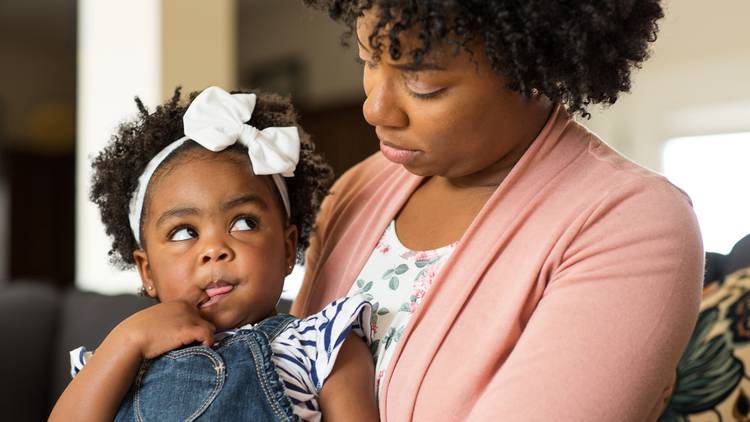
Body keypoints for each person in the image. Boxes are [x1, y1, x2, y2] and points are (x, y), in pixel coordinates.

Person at [292, 1, 704, 421]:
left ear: (532, 66)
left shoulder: (632, 225)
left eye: (423, 85)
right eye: (369, 59)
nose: (375, 109)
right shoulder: (358, 189)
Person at [49, 86, 379, 422]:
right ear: (146, 271)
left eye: (244, 223)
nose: (214, 249)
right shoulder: (124, 358)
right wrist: (127, 341)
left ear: (287, 247)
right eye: (184, 232)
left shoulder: (322, 344)